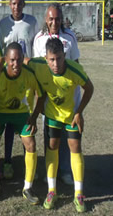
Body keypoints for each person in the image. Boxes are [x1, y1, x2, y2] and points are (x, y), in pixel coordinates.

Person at [27, 37, 94, 212]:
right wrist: (1, 60)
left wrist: (79, 112)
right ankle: (52, 191)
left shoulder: (74, 69)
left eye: (59, 58)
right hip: (52, 115)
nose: (56, 64)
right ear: (46, 58)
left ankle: (78, 194)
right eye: (51, 60)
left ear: (64, 56)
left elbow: (90, 88)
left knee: (75, 147)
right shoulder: (39, 65)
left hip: (71, 115)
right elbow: (23, 60)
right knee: (52, 147)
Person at [0, 42, 44, 204]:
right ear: (5, 60)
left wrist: (33, 117)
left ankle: (27, 188)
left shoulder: (28, 74)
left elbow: (42, 94)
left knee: (31, 144)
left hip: (21, 113)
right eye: (12, 60)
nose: (16, 64)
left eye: (19, 60)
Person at [31, 4, 81, 185]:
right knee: (50, 136)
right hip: (50, 98)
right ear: (46, 19)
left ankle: (66, 171)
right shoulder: (38, 39)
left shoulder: (70, 36)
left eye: (57, 18)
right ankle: (50, 170)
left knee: (69, 136)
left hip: (69, 97)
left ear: (62, 19)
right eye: (51, 18)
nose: (54, 22)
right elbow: (38, 68)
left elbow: (76, 62)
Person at [0, 0, 38, 179]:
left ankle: (25, 158)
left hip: (25, 79)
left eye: (20, 3)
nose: (16, 7)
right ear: (9, 4)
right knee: (9, 123)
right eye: (13, 3)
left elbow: (35, 50)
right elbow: (0, 51)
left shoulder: (32, 22)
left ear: (24, 4)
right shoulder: (3, 24)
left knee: (25, 120)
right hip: (8, 79)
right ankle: (7, 161)